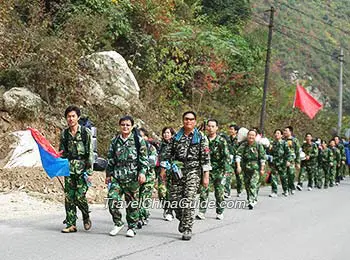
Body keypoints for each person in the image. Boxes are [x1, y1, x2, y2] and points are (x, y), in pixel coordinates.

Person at [160, 111, 211, 241]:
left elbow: (205, 159)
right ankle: (183, 220)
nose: (188, 121)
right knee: (175, 200)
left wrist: (206, 176)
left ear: (195, 121)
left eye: (191, 119)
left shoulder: (201, 137)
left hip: (193, 171)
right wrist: (163, 170)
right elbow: (167, 154)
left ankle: (187, 228)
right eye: (186, 119)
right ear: (183, 121)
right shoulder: (176, 137)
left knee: (188, 200)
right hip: (177, 171)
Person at [105, 116, 148, 238]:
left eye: (128, 125)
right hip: (117, 177)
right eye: (123, 124)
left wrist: (142, 172)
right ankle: (118, 223)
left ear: (132, 126)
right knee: (112, 200)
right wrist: (108, 174)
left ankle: (132, 227)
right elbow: (111, 159)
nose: (125, 127)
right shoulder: (115, 141)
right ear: (119, 126)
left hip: (133, 177)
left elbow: (144, 159)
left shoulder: (138, 141)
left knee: (132, 205)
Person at [59, 105, 94, 233]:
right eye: (68, 116)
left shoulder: (85, 132)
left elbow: (90, 153)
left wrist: (89, 172)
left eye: (73, 116)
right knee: (69, 197)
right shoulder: (64, 133)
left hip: (82, 170)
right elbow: (62, 152)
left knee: (80, 197)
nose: (71, 119)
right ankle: (71, 224)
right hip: (68, 169)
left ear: (78, 117)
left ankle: (86, 215)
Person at [196, 119, 230, 220]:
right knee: (203, 191)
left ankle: (220, 211)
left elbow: (226, 156)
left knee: (219, 193)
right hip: (206, 170)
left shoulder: (221, 141)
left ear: (216, 128)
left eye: (212, 126)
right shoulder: (203, 139)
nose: (210, 128)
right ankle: (201, 212)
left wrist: (226, 171)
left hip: (219, 170)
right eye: (209, 126)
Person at [236, 129, 266, 210]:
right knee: (247, 185)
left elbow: (263, 158)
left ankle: (251, 201)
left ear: (255, 136)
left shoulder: (258, 146)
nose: (251, 137)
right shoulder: (244, 145)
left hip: (256, 169)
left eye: (253, 135)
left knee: (253, 184)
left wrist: (262, 169)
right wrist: (238, 166)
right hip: (246, 168)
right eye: (249, 135)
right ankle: (252, 198)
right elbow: (238, 155)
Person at [137, 127, 157, 228]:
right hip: (135, 178)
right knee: (135, 199)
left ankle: (141, 217)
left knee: (144, 198)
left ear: (146, 137)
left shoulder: (151, 148)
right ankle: (140, 216)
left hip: (148, 178)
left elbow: (152, 163)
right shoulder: (133, 147)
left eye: (142, 136)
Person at [157, 127, 176, 221]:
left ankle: (169, 211)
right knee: (161, 191)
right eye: (164, 132)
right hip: (162, 172)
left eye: (168, 133)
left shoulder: (176, 144)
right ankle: (166, 208)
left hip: (173, 172)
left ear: (172, 134)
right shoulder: (161, 145)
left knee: (171, 193)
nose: (166, 134)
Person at [268, 129, 291, 197]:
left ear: (281, 135)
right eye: (275, 133)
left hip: (282, 163)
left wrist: (288, 161)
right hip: (274, 163)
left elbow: (289, 153)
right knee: (273, 177)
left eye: (278, 133)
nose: (276, 134)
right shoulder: (272, 143)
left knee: (283, 177)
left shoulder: (284, 143)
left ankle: (285, 190)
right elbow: (270, 153)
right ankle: (274, 192)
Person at [226, 124, 243, 198]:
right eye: (229, 129)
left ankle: (239, 190)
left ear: (236, 131)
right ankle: (227, 192)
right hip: (229, 160)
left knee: (239, 176)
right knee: (227, 175)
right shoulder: (227, 139)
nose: (230, 131)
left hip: (238, 161)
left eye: (232, 129)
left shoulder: (240, 140)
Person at [283, 126, 300, 194]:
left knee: (291, 174)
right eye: (284, 130)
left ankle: (292, 187)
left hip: (292, 161)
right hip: (283, 160)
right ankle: (286, 189)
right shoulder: (283, 140)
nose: (285, 132)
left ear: (290, 132)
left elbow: (297, 151)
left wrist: (297, 162)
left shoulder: (295, 140)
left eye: (286, 131)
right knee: (284, 175)